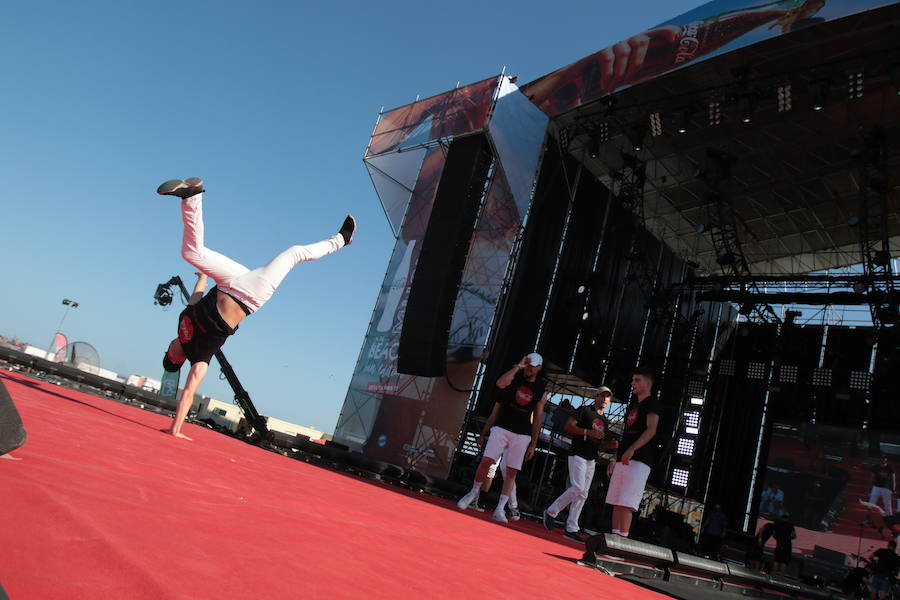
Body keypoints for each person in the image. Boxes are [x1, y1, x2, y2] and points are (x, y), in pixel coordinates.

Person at [157, 177, 355, 440]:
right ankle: (341, 240)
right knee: (294, 253)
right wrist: (176, 429)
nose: (170, 345)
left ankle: (192, 197)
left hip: (228, 283)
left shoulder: (182, 323)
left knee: (192, 254)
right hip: (250, 295)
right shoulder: (199, 357)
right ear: (177, 357)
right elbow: (189, 393)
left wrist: (202, 278)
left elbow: (194, 300)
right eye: (170, 351)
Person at [457, 353, 548, 523]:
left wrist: (533, 443)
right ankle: (473, 492)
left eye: (532, 365)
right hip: (502, 427)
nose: (529, 368)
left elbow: (537, 418)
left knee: (511, 471)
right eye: (528, 364)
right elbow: (500, 383)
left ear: (539, 368)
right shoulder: (514, 378)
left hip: (522, 433)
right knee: (487, 460)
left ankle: (500, 508)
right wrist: (518, 366)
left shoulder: (541, 390)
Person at [543, 387, 618, 542]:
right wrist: (587, 432)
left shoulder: (604, 421)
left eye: (607, 397)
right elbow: (568, 426)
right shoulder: (585, 410)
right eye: (602, 396)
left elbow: (598, 444)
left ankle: (571, 527)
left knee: (583, 494)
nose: (604, 399)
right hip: (577, 454)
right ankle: (551, 512)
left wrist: (608, 447)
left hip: (591, 457)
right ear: (596, 397)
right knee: (577, 487)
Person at [605, 367, 660, 538]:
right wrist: (615, 457)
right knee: (616, 501)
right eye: (632, 380)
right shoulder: (633, 406)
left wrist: (632, 449)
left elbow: (651, 430)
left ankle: (621, 544)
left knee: (626, 502)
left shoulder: (652, 403)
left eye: (637, 380)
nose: (633, 383)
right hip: (623, 458)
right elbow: (625, 434)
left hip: (640, 459)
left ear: (648, 383)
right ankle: (613, 542)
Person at [472, 455, 520, 520]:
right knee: (490, 466)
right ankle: (479, 501)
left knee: (507, 470)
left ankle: (513, 507)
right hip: (499, 444)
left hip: (513, 446)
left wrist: (532, 445)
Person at [772, 512, 796, 577]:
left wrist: (778, 538)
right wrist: (790, 538)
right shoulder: (790, 525)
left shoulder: (777, 523)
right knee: (784, 562)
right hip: (787, 546)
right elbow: (794, 535)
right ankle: (781, 577)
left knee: (777, 560)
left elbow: (774, 534)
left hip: (779, 545)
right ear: (787, 519)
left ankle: (773, 576)